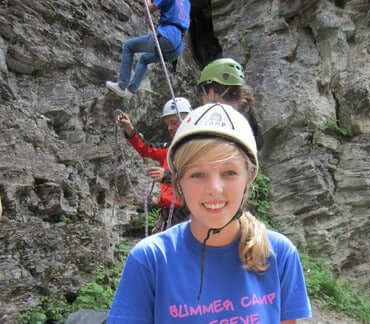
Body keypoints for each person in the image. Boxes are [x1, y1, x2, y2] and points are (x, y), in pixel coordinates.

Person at [108, 103, 312, 323]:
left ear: (249, 177)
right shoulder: (151, 259)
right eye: (197, 174)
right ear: (178, 182)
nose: (214, 188)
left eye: (229, 172)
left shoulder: (279, 254)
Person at [116, 97, 192, 232]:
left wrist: (167, 176)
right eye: (167, 124)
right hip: (169, 213)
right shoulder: (169, 149)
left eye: (173, 123)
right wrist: (129, 129)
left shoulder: (198, 149)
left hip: (187, 213)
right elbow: (146, 149)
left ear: (187, 121)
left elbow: (197, 179)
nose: (170, 128)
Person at [106, 0, 191, 98]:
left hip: (167, 35)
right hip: (177, 47)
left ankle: (121, 85)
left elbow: (149, 8)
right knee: (144, 59)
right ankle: (131, 90)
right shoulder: (186, 2)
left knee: (129, 46)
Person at [197, 57, 264, 149]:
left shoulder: (214, 127)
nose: (202, 102)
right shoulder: (247, 120)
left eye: (202, 96)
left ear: (211, 94)